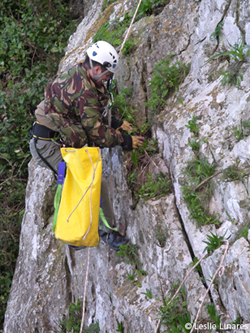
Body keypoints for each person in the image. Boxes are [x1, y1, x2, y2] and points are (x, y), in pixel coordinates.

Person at [29, 40, 144, 251]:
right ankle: (102, 233)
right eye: (107, 74)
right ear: (97, 68)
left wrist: (116, 124)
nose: (108, 79)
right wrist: (126, 141)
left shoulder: (84, 73)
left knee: (88, 179)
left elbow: (87, 112)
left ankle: (93, 229)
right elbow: (97, 133)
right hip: (47, 146)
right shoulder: (82, 89)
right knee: (87, 181)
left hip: (57, 139)